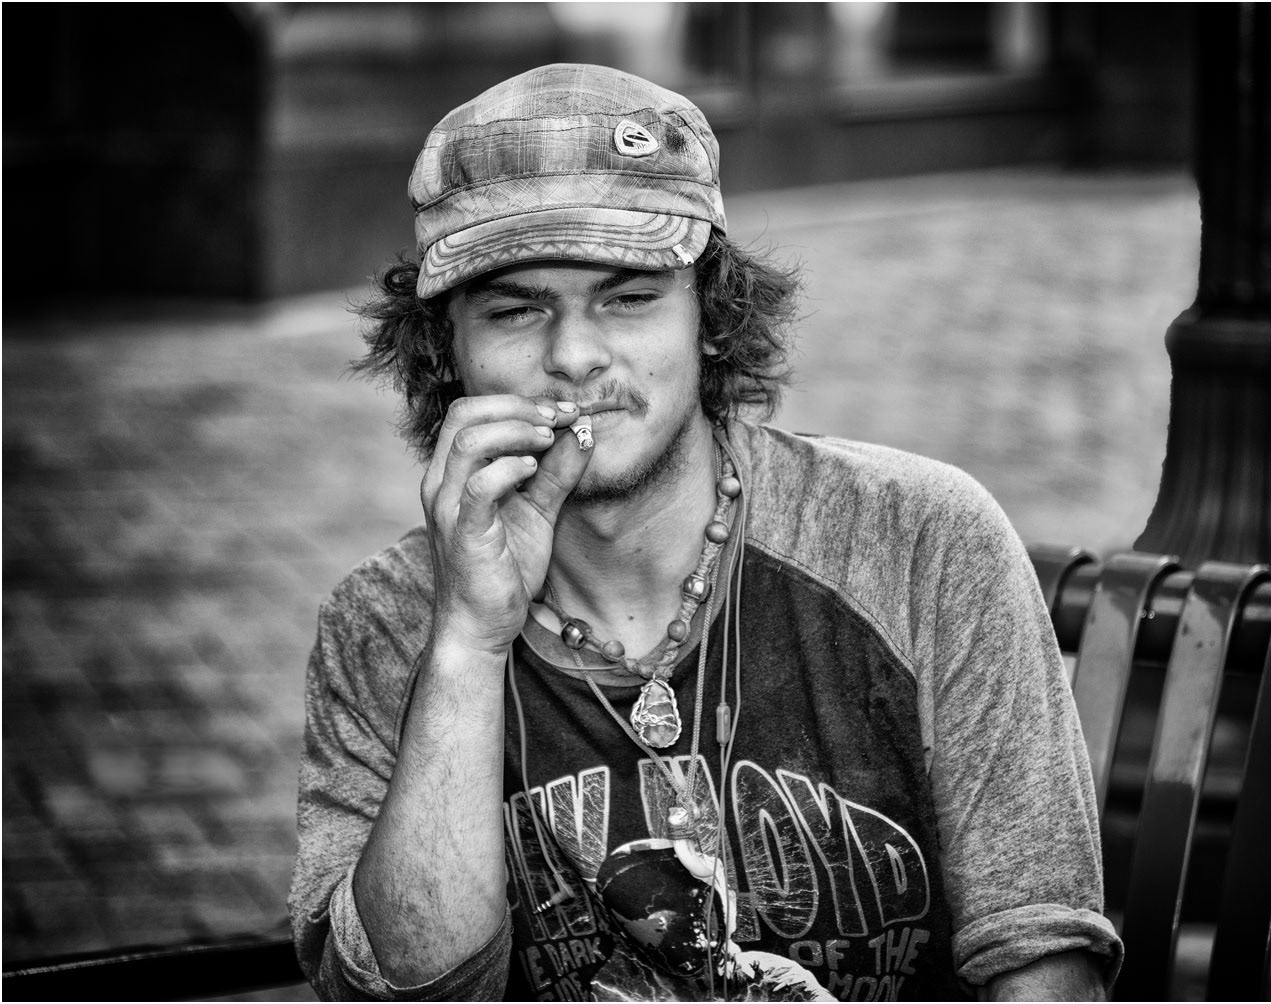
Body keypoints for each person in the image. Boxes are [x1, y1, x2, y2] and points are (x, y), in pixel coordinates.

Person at [289, 63, 1121, 1002]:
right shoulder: (384, 622)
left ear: (711, 318)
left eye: (629, 297)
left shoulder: (922, 542)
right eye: (515, 310)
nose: (574, 357)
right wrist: (469, 638)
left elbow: (1043, 958)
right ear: (447, 351)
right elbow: (405, 994)